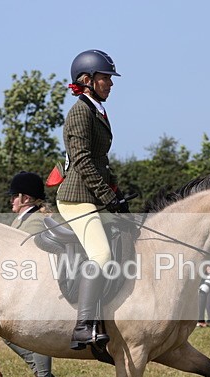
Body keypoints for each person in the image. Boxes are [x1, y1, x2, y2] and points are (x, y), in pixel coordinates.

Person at [56, 49, 128, 351]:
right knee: (101, 256)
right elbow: (83, 161)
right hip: (76, 198)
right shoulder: (80, 112)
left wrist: (116, 191)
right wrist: (107, 195)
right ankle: (83, 325)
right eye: (105, 78)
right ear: (87, 80)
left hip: (93, 194)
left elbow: (100, 161)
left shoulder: (96, 109)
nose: (110, 83)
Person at [5, 171, 58, 377]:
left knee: (31, 332)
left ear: (25, 198)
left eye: (14, 196)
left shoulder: (35, 221)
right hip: (24, 285)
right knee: (8, 333)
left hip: (37, 287)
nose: (11, 200)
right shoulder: (23, 218)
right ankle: (42, 375)